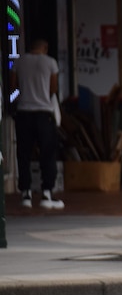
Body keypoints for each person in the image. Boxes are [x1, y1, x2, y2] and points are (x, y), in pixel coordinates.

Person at [11, 38, 64, 210]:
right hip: (44, 113)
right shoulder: (50, 63)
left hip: (24, 112)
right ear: (45, 47)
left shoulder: (20, 62)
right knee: (47, 153)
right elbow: (53, 88)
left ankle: (25, 193)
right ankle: (47, 192)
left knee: (24, 153)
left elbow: (14, 85)